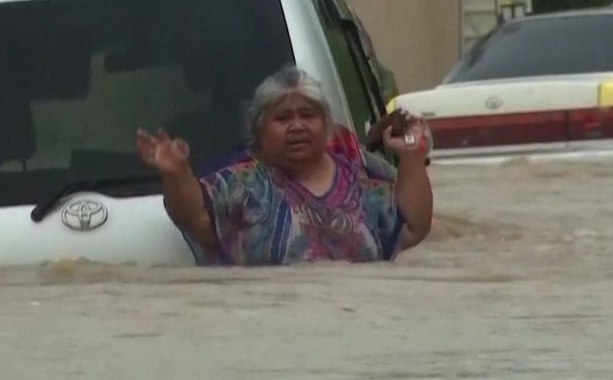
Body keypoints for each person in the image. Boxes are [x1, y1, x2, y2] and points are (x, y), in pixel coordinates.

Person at [135, 65, 433, 266]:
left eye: (308, 115)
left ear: (327, 126)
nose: (297, 126)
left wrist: (412, 156)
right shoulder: (243, 184)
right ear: (259, 131)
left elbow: (413, 229)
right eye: (283, 118)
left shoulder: (361, 182)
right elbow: (197, 219)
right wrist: (177, 174)